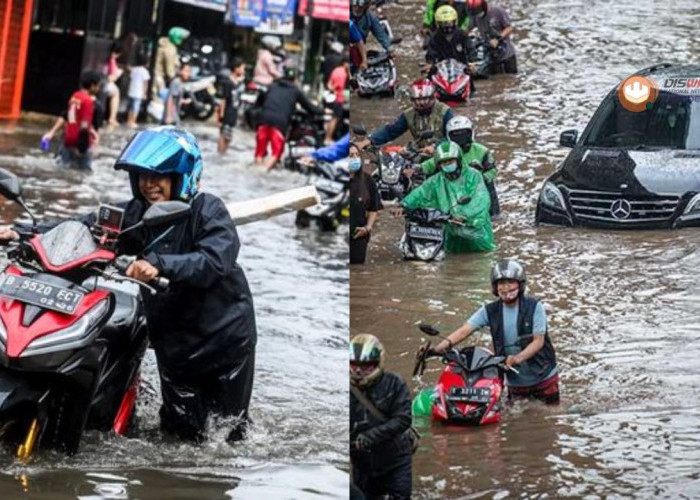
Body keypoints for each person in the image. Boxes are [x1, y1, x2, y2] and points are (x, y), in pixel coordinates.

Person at [0, 126, 258, 442]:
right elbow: (85, 227)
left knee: (226, 436)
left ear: (181, 176)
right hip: (173, 341)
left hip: (222, 340)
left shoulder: (208, 210)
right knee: (177, 434)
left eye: (157, 176)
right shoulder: (135, 213)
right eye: (140, 176)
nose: (148, 184)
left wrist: (158, 265)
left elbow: (215, 260)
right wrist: (27, 232)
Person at [424, 259, 559, 403]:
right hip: (514, 381)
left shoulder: (535, 307)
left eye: (510, 282)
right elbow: (464, 331)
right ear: (495, 287)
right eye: (501, 283)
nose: (506, 288)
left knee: (550, 415)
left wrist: (517, 358)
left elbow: (538, 341)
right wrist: (436, 349)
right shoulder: (489, 311)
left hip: (543, 374)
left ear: (520, 284)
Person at [400, 141, 496, 252]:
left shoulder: (473, 176)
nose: (448, 165)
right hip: (450, 233)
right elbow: (421, 193)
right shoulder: (436, 181)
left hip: (477, 235)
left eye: (451, 161)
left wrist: (463, 216)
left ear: (459, 160)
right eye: (444, 163)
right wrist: (404, 205)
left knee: (481, 263)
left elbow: (480, 200)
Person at [350, 334, 412, 499]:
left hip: (396, 460)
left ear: (378, 363)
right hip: (362, 464)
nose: (358, 370)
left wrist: (371, 436)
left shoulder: (395, 383)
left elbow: (403, 419)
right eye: (353, 364)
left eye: (366, 365)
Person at [420, 115, 500, 215]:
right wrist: (416, 169)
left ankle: (493, 214)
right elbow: (429, 165)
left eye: (464, 134)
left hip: (477, 188)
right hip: (450, 185)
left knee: (489, 185)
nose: (460, 138)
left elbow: (492, 170)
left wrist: (481, 178)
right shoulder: (445, 151)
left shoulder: (481, 151)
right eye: (456, 135)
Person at [254, 66, 323, 170]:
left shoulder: (272, 86)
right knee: (276, 153)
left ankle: (257, 169)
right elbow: (309, 107)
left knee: (259, 151)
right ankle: (263, 172)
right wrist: (322, 110)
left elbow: (259, 102)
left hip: (263, 120)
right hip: (279, 124)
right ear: (294, 79)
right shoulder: (295, 91)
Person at [358, 79, 453, 150]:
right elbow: (391, 130)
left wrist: (435, 146)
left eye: (425, 99)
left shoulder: (444, 111)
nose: (421, 103)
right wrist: (369, 140)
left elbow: (453, 136)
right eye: (418, 100)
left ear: (432, 97)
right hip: (420, 153)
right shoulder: (409, 114)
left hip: (444, 154)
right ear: (412, 100)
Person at [53, 70, 102, 171]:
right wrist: (82, 148)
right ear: (92, 86)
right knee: (84, 174)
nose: (99, 88)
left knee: (63, 169)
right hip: (79, 142)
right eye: (98, 86)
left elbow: (72, 119)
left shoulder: (75, 96)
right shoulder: (88, 101)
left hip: (67, 139)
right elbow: (84, 126)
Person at [466, 0, 517, 74]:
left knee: (511, 78)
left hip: (506, 54)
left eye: (477, 11)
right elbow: (467, 30)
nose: (477, 14)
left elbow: (509, 28)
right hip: (491, 56)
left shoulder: (497, 11)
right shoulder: (475, 17)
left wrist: (498, 39)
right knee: (496, 79)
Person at [349, 142, 380, 264]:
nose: (355, 158)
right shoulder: (337, 178)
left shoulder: (367, 181)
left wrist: (368, 228)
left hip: (358, 237)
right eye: (351, 155)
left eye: (357, 155)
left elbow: (374, 208)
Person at [425, 5, 477, 74]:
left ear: (455, 22)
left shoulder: (462, 34)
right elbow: (431, 54)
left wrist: (472, 63)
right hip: (441, 72)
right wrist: (430, 64)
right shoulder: (434, 37)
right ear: (438, 24)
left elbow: (470, 49)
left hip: (461, 71)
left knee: (470, 81)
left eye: (450, 23)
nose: (447, 27)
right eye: (443, 24)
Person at [217, 57, 247, 154]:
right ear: (236, 69)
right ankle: (220, 154)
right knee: (223, 135)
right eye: (242, 68)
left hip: (233, 113)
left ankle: (223, 154)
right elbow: (223, 100)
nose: (244, 71)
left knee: (228, 137)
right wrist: (221, 115)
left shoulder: (238, 82)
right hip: (227, 113)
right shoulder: (227, 83)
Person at [152, 27, 190, 100]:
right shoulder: (169, 49)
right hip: (158, 76)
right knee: (158, 100)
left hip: (157, 75)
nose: (181, 40)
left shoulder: (166, 45)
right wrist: (174, 76)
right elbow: (169, 69)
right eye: (181, 38)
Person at [325, 57, 349, 145]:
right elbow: (338, 85)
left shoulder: (336, 70)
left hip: (333, 98)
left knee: (332, 119)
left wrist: (331, 89)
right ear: (345, 63)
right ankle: (328, 138)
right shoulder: (343, 73)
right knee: (335, 119)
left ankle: (328, 137)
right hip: (338, 99)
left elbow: (329, 84)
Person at [126, 54, 151, 128]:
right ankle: (133, 122)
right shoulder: (145, 71)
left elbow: (130, 79)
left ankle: (128, 121)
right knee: (136, 108)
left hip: (131, 91)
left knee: (130, 107)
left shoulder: (134, 69)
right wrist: (144, 93)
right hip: (138, 92)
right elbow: (145, 84)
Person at [103, 41, 124, 127]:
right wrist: (119, 73)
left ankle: (112, 118)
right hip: (105, 83)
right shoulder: (112, 60)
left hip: (103, 82)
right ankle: (112, 118)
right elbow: (111, 78)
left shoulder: (107, 58)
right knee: (116, 92)